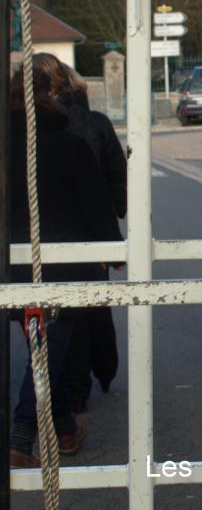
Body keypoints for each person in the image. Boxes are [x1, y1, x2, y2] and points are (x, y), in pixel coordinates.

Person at [8, 65, 120, 467]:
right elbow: (95, 204)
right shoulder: (69, 145)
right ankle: (22, 436)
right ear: (50, 95)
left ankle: (66, 428)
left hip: (15, 266)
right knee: (47, 352)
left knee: (43, 348)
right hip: (61, 265)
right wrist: (113, 249)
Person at [31, 54, 126, 412]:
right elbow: (116, 177)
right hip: (89, 232)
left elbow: (114, 175)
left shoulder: (51, 124)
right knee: (89, 312)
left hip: (63, 231)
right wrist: (114, 224)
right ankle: (93, 376)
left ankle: (77, 387)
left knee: (72, 315)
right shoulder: (93, 122)